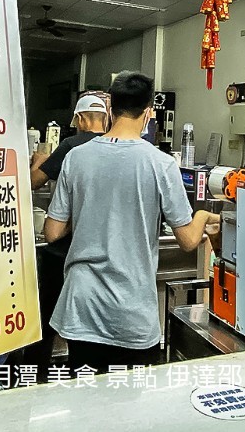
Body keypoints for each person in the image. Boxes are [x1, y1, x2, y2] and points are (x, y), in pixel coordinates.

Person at [45, 71, 219, 373]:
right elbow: (189, 240)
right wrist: (203, 215)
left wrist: (89, 210)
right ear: (149, 112)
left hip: (82, 307)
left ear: (111, 107)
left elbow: (52, 231)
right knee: (129, 413)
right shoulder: (162, 164)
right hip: (131, 311)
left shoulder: (76, 157)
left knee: (84, 406)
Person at [22, 91, 109, 380]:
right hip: (98, 248)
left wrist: (40, 160)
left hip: (64, 249)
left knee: (45, 315)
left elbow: (33, 183)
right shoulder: (114, 146)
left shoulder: (71, 145)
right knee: (88, 323)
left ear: (81, 119)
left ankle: (35, 374)